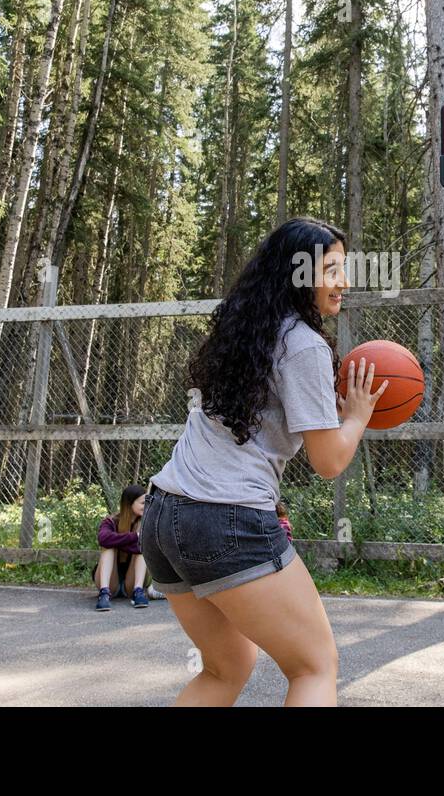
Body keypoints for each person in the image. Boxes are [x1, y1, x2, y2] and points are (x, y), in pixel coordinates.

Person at [139, 217, 387, 706]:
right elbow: (329, 462)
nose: (344, 282)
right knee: (314, 667)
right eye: (332, 270)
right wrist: (357, 417)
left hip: (163, 515)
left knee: (225, 668)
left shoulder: (244, 332)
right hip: (224, 519)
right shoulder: (304, 345)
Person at [93, 484, 166, 610]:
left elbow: (147, 543)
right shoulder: (111, 521)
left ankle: (138, 592)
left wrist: (120, 543)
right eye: (143, 503)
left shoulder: (145, 522)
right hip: (111, 581)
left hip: (131, 582)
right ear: (129, 503)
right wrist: (134, 537)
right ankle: (104, 593)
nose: (147, 506)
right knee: (108, 547)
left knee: (142, 546)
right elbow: (103, 539)